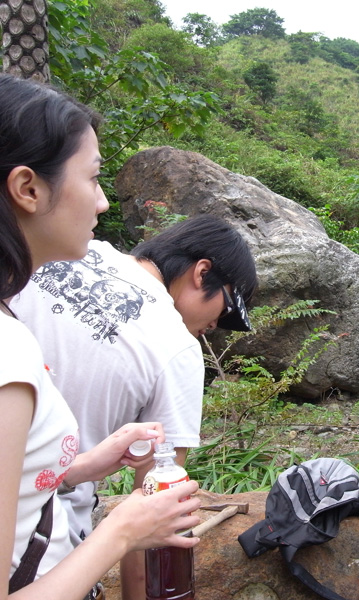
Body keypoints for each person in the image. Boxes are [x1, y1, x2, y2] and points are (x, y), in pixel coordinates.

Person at [0, 74, 202, 599]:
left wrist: (78, 468)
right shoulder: (8, 355)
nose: (104, 203)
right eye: (92, 178)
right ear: (28, 188)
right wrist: (123, 532)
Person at [10, 213, 257, 598]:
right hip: (41, 553)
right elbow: (155, 507)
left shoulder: (59, 250)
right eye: (224, 311)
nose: (214, 327)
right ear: (201, 272)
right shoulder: (177, 349)